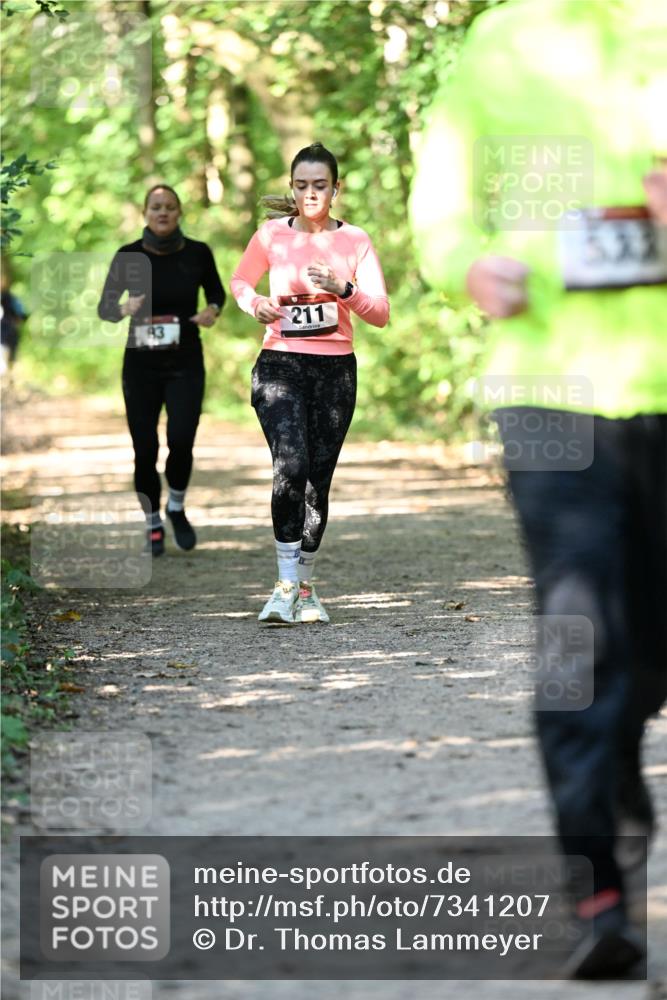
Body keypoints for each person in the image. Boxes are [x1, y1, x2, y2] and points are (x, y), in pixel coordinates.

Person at [410, 0, 667, 979]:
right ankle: (597, 886)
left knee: (644, 650)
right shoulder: (501, 40)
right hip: (549, 393)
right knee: (578, 635)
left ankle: (623, 745)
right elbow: (441, 210)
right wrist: (466, 265)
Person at [231, 142, 389, 624]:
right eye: (301, 186)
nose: (310, 194)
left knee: (317, 481)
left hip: (335, 371)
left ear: (336, 189)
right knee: (291, 463)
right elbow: (241, 282)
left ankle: (304, 586)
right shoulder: (271, 235)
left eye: (320, 185)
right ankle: (282, 586)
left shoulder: (355, 240)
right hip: (279, 364)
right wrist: (254, 304)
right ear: (292, 189)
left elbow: (380, 313)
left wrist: (344, 290)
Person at [98, 185, 225, 556]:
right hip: (141, 366)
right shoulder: (128, 256)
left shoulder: (198, 253)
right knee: (144, 448)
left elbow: (217, 293)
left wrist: (212, 311)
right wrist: (124, 308)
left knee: (182, 439)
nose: (163, 213)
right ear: (145, 213)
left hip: (185, 361)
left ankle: (177, 507)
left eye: (170, 207)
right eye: (156, 207)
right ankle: (153, 522)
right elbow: (105, 307)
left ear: (180, 212)